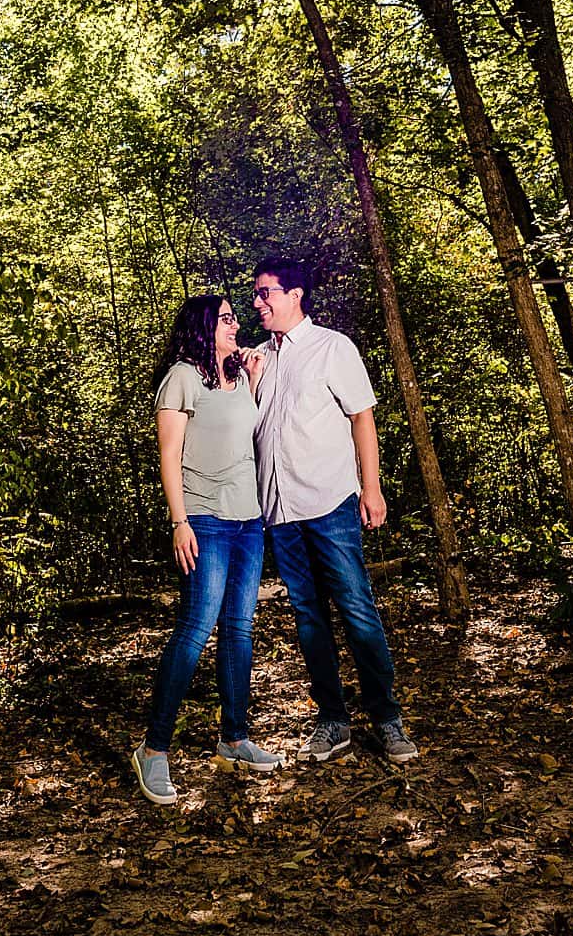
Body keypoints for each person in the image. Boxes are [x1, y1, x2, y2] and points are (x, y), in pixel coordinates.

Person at [249, 253, 416, 764]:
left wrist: (373, 488)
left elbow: (362, 418)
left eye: (266, 293)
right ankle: (333, 720)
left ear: (294, 295)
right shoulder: (260, 357)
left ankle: (387, 719)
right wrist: (251, 382)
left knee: (356, 608)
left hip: (329, 501)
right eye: (256, 295)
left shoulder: (332, 348)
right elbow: (253, 430)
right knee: (308, 618)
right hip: (280, 510)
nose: (257, 303)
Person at [133, 293, 282, 805]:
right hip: (204, 519)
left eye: (234, 316)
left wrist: (257, 380)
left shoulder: (240, 377)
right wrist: (179, 523)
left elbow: (253, 436)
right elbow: (169, 455)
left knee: (240, 629)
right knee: (196, 629)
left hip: (248, 521)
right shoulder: (181, 377)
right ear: (202, 326)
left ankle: (234, 738)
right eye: (225, 318)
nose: (235, 323)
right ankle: (153, 751)